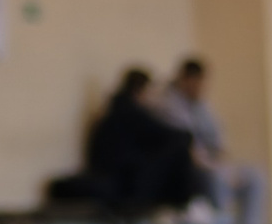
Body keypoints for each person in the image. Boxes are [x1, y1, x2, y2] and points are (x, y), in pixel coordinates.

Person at [64, 67, 198, 215]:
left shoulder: (114, 110)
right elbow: (171, 135)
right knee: (179, 149)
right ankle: (185, 210)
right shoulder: (131, 112)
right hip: (125, 181)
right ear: (140, 91)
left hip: (116, 175)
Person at [158, 57, 269, 224]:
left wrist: (226, 167)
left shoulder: (202, 104)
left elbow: (219, 142)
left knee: (255, 176)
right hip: (186, 171)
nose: (200, 89)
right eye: (196, 84)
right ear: (185, 80)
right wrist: (220, 170)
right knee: (218, 178)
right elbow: (187, 148)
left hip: (212, 164)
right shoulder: (167, 104)